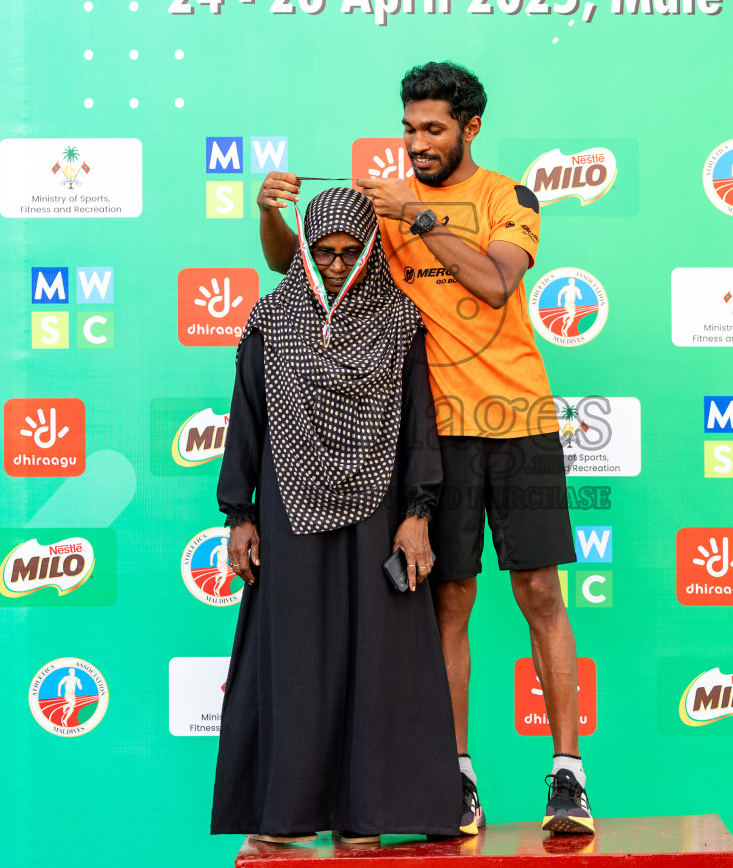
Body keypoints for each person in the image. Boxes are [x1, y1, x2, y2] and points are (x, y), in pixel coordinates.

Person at [255, 62, 594, 836]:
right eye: (409, 129)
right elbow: (293, 263)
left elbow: (498, 283)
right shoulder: (386, 203)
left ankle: (568, 775)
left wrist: (421, 218)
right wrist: (272, 212)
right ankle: (457, 775)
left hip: (520, 419)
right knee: (449, 601)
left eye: (433, 129)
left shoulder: (509, 197)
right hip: (437, 433)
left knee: (540, 594)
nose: (417, 143)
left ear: (470, 127)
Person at [212, 188, 459, 845]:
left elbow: (418, 425)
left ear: (372, 251)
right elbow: (248, 420)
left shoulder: (400, 320)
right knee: (292, 663)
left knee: (376, 665)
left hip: (379, 513)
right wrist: (239, 515)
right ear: (307, 250)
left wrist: (419, 510)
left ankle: (365, 820)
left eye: (352, 253)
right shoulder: (271, 319)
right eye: (324, 253)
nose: (338, 265)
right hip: (289, 512)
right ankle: (280, 822)